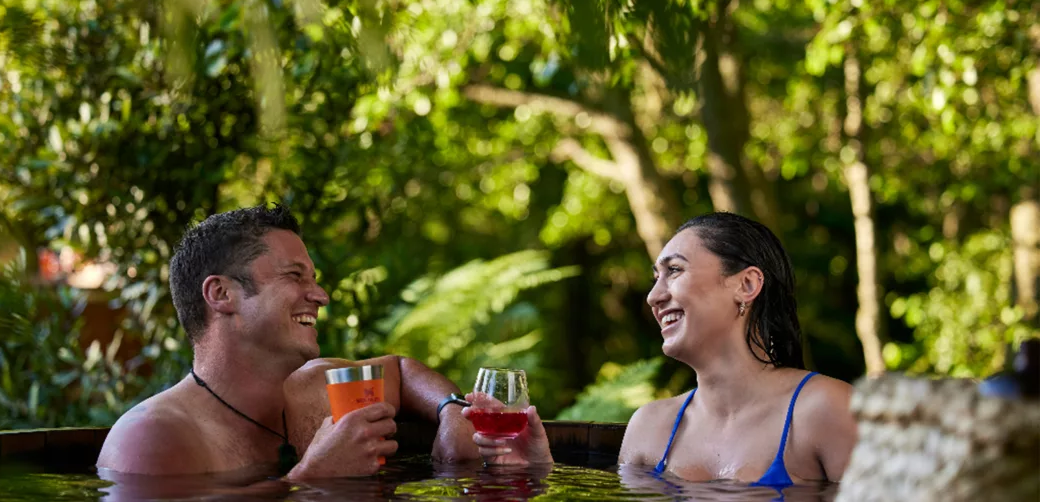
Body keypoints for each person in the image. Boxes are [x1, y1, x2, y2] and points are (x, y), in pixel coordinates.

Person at [466, 212, 858, 487]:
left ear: (746, 285)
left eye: (674, 270)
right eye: (656, 277)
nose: (654, 296)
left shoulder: (826, 410)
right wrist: (539, 475)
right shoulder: (650, 428)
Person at [97, 204, 479, 480]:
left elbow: (400, 370)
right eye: (295, 276)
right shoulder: (151, 437)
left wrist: (452, 411)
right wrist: (311, 479)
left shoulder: (320, 389)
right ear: (221, 294)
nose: (321, 296)